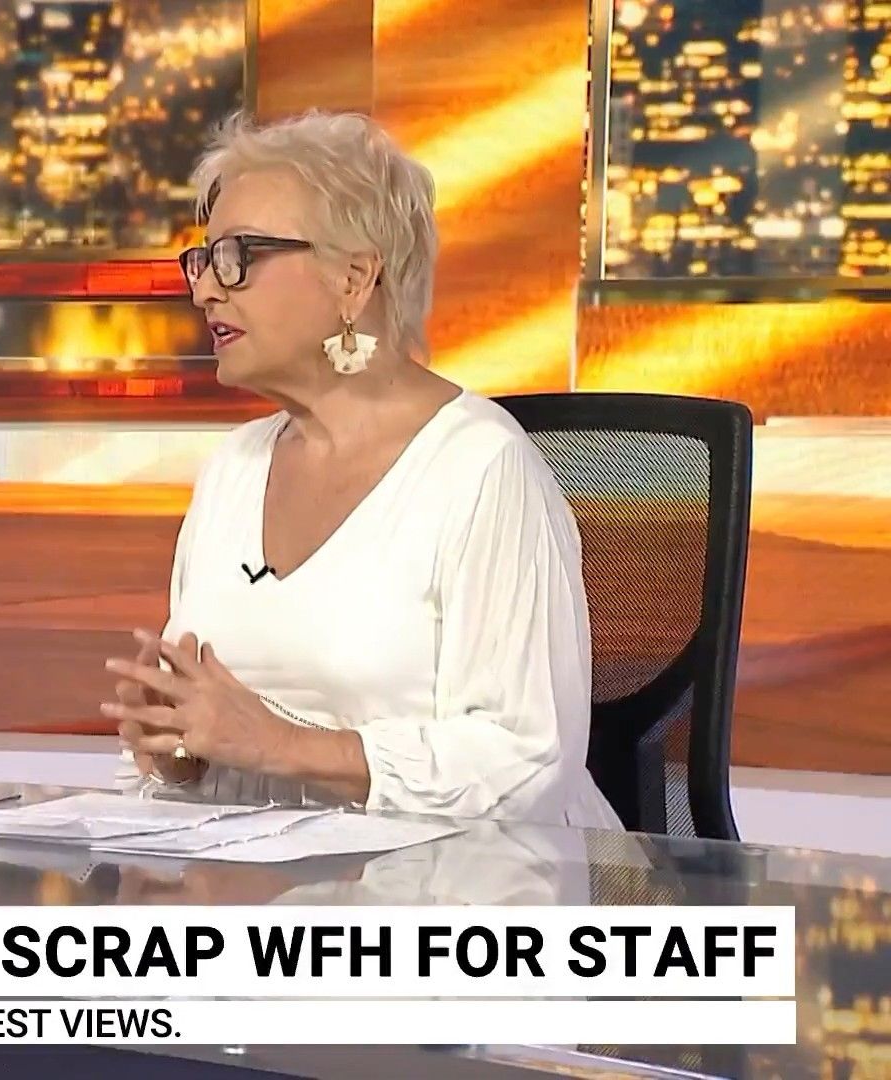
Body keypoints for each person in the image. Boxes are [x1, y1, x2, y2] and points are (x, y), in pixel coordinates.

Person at [101, 111, 621, 830]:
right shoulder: (232, 470)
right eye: (205, 260)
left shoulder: (481, 468)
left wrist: (284, 746)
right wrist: (180, 750)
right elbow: (215, 738)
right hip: (263, 880)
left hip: (464, 884)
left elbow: (524, 764)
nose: (207, 291)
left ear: (354, 278)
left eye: (239, 256)